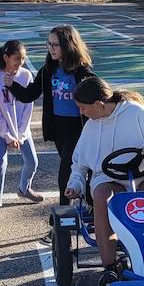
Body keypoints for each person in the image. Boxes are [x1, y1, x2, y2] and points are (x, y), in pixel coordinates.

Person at [65, 76, 144, 282]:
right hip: (109, 180)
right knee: (102, 196)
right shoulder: (92, 125)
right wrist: (75, 184)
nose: (80, 112)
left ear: (99, 104)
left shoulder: (135, 112)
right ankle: (109, 264)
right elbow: (79, 164)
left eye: (82, 107)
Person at [8, 25, 96, 203]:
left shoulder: (82, 71)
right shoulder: (48, 71)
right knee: (75, 167)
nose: (51, 48)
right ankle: (82, 204)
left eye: (56, 44)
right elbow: (29, 95)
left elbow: (97, 93)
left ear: (68, 45)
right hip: (58, 128)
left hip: (79, 127)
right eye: (49, 44)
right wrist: (12, 85)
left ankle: (65, 212)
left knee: (67, 168)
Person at [0, 40, 42, 211]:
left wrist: (21, 134)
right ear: (5, 58)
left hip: (21, 129)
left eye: (23, 58)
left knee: (32, 161)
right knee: (0, 163)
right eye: (16, 58)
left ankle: (24, 188)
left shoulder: (25, 75)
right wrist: (8, 136)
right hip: (0, 130)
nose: (20, 62)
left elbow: (28, 106)